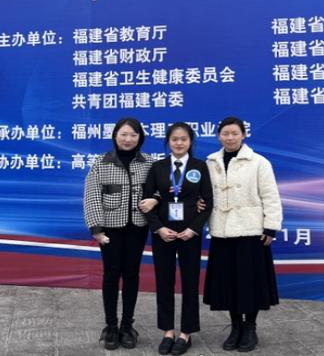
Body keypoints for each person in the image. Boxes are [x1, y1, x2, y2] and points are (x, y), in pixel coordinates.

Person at [203, 116, 282, 352]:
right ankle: (236, 326)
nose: (230, 138)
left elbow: (271, 196)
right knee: (228, 282)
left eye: (234, 133)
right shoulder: (210, 163)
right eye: (225, 133)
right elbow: (205, 195)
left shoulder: (259, 162)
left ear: (243, 135)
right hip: (222, 231)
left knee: (250, 282)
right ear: (218, 136)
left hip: (251, 230)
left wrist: (271, 226)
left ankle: (250, 327)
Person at [141, 122, 213, 355]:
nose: (179, 143)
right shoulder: (158, 167)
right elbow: (146, 202)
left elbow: (208, 201)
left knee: (190, 283)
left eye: (184, 139)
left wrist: (194, 229)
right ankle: (168, 331)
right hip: (164, 234)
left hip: (189, 235)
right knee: (164, 282)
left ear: (190, 142)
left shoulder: (200, 166)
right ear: (168, 142)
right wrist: (159, 228)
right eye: (174, 139)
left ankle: (186, 333)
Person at [83, 117, 152, 350]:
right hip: (110, 229)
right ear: (115, 136)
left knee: (131, 273)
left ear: (140, 138)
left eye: (133, 135)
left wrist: (155, 200)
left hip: (138, 227)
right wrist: (96, 228)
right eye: (123, 134)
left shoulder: (149, 163)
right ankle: (111, 326)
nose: (128, 139)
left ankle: (127, 325)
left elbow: (159, 191)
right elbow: (92, 196)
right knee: (111, 274)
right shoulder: (101, 163)